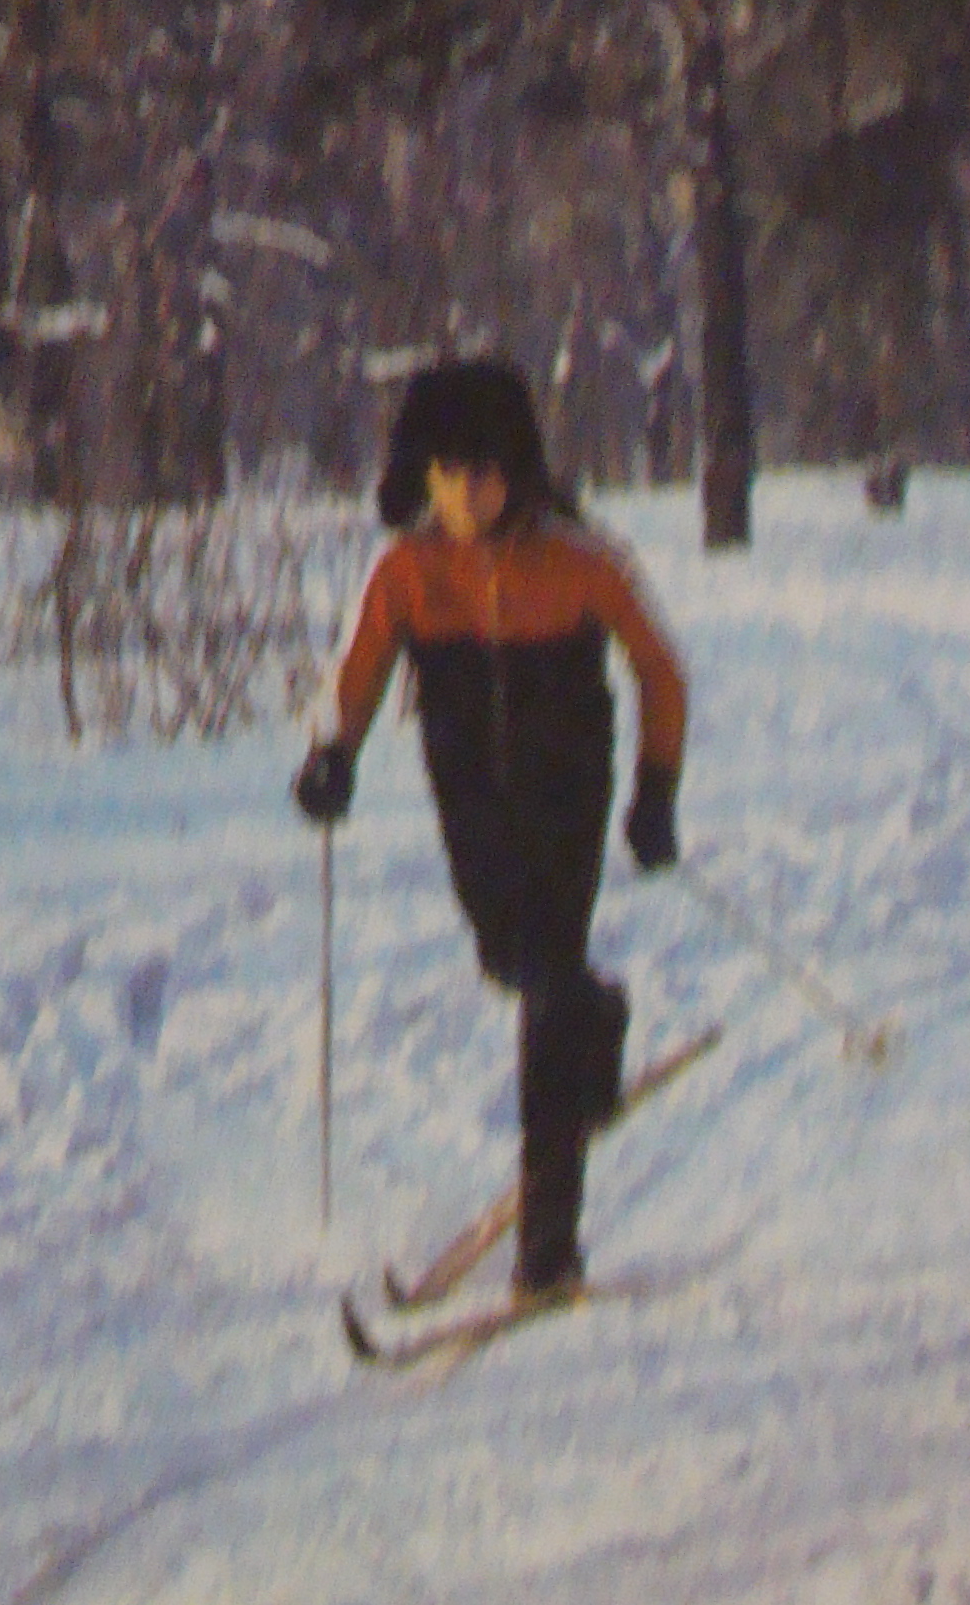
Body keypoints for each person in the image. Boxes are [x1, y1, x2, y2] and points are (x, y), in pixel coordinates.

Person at [293, 357, 687, 1300]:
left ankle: (549, 1245)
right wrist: (331, 753)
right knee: (511, 965)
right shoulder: (407, 573)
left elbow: (661, 672)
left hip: (567, 796)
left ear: (518, 470)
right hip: (468, 799)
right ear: (420, 478)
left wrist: (655, 792)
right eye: (448, 474)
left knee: (545, 987)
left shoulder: (582, 560)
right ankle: (597, 1018)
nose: (469, 494)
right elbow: (356, 672)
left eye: (486, 472)